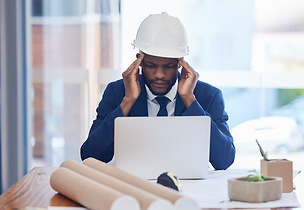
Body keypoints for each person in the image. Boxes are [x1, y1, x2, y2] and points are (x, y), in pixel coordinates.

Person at [80, 12, 235, 170]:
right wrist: (127, 101)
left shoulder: (207, 96)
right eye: (151, 65)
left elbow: (224, 160)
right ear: (139, 61)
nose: (159, 75)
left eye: (168, 66)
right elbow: (90, 156)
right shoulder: (117, 92)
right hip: (134, 185)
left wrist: (190, 100)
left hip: (190, 186)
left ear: (180, 63)